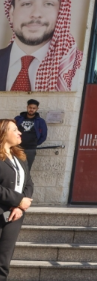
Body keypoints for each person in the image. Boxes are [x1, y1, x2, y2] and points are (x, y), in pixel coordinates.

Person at [0, 0, 83, 91]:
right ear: (11, 13)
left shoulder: (80, 69)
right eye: (26, 4)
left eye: (48, 4)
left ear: (61, 13)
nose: (36, 14)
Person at [0, 119, 34, 281]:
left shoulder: (20, 157)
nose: (20, 132)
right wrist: (18, 200)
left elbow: (29, 183)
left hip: (14, 215)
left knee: (4, 260)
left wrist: (20, 206)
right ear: (3, 133)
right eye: (14, 130)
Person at [14, 99, 47, 170]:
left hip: (30, 149)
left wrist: (34, 143)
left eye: (34, 108)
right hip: (17, 148)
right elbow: (12, 130)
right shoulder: (18, 119)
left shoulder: (40, 121)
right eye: (30, 107)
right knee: (15, 168)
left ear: (37, 109)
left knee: (27, 169)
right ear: (27, 107)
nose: (31, 109)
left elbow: (43, 135)